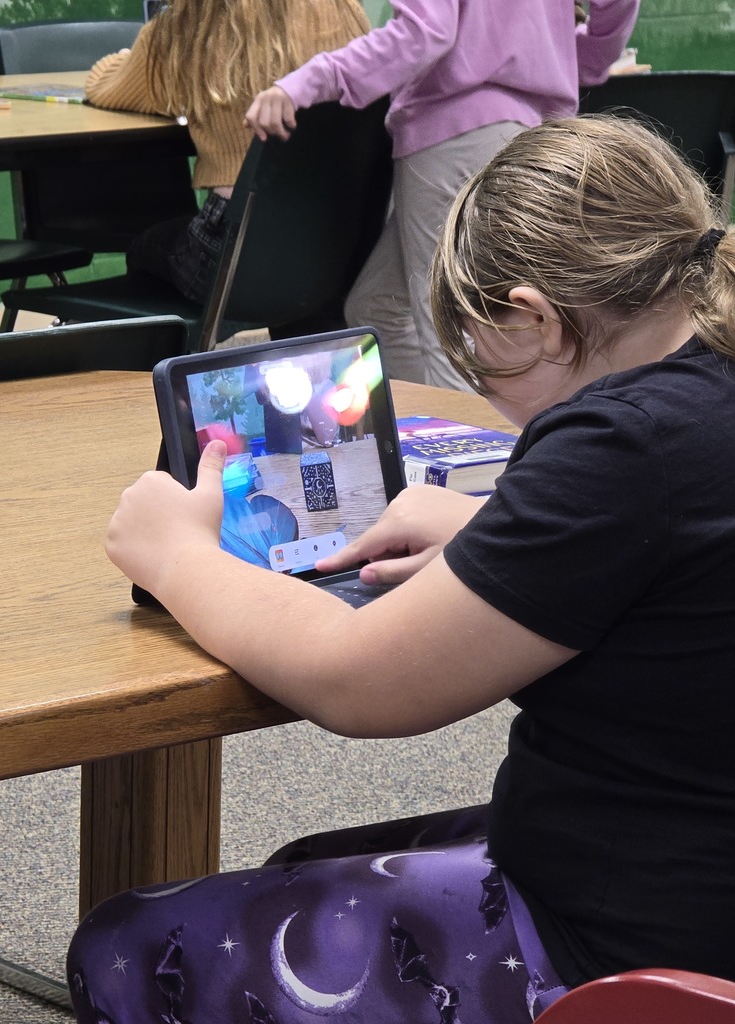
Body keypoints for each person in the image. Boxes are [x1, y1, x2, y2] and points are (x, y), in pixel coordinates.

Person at [66, 114, 735, 1024]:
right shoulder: (706, 392)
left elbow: (360, 685)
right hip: (698, 879)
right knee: (302, 862)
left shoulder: (623, 445)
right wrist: (501, 530)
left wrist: (175, 554)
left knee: (126, 946)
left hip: (635, 953)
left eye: (486, 368)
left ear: (534, 317)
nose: (495, 403)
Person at [244, 0, 640, 390]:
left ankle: (474, 451)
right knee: (378, 308)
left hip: (456, 136)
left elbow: (424, 31)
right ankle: (434, 441)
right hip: (533, 134)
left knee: (448, 326)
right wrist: (579, 57)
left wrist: (307, 81)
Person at [83, 0, 370, 304]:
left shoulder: (189, 22)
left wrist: (127, 58)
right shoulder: (342, 8)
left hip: (230, 252)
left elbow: (106, 88)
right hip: (336, 240)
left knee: (144, 249)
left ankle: (176, 349)